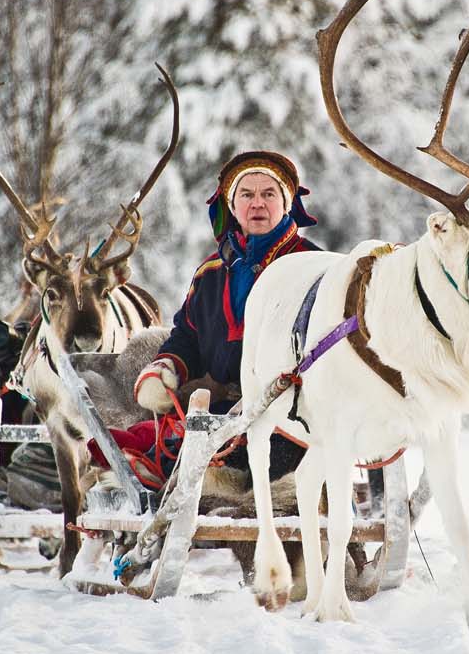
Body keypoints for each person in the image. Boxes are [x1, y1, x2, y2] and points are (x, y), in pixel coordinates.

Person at [89, 150, 321, 487]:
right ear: (232, 205)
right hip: (218, 408)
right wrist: (166, 367)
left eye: (269, 194)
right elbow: (187, 335)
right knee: (163, 446)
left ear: (287, 204)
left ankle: (206, 476)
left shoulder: (312, 265)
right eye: (247, 194)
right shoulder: (211, 272)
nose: (258, 204)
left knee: (223, 466)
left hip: (291, 413)